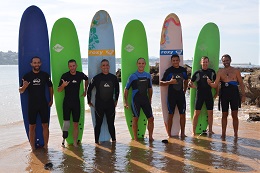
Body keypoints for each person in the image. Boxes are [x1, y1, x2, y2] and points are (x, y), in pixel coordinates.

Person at [19, 56, 53, 151]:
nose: (36, 64)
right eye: (35, 63)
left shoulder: (45, 75)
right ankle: (33, 148)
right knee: (32, 126)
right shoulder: (27, 76)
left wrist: (51, 99)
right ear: (31, 64)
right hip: (32, 105)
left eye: (38, 62)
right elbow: (20, 91)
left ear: (40, 63)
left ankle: (46, 146)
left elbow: (50, 87)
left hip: (43, 104)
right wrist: (24, 87)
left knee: (45, 125)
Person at [207, 54, 245, 139]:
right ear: (222, 62)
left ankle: (236, 134)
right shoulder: (220, 72)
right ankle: (223, 134)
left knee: (234, 115)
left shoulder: (236, 71)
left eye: (227, 60)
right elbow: (215, 84)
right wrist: (209, 83)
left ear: (230, 60)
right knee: (224, 115)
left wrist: (243, 95)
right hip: (224, 94)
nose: (225, 62)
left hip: (234, 94)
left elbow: (241, 84)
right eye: (224, 61)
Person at [87, 59, 120, 144]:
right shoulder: (96, 78)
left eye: (107, 65)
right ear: (101, 67)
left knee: (111, 124)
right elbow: (89, 89)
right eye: (103, 65)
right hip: (99, 105)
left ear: (109, 66)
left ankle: (114, 142)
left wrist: (116, 100)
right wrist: (88, 100)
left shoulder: (113, 78)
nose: (105, 67)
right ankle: (96, 143)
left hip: (110, 105)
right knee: (98, 125)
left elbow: (117, 90)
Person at [58, 59, 88, 147]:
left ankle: (75, 142)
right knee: (66, 123)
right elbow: (59, 90)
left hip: (76, 103)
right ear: (68, 67)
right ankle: (64, 139)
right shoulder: (65, 76)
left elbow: (87, 79)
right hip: (67, 103)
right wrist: (63, 85)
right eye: (70, 66)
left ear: (76, 66)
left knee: (75, 124)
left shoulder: (80, 75)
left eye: (73, 66)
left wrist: (85, 90)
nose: (72, 68)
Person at [124, 57, 154, 141]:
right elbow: (126, 89)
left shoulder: (148, 75)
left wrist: (150, 99)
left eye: (142, 63)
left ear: (145, 64)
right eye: (139, 63)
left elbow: (150, 89)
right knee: (135, 118)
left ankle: (151, 137)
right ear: (137, 64)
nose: (141, 65)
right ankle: (136, 139)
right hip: (135, 100)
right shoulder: (132, 76)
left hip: (145, 99)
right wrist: (125, 101)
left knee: (151, 118)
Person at [160, 54, 188, 138]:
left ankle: (182, 133)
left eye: (177, 60)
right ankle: (169, 134)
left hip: (180, 96)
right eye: (173, 60)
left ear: (179, 61)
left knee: (182, 114)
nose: (175, 62)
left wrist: (185, 90)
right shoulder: (169, 71)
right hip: (171, 96)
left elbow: (186, 80)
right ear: (171, 61)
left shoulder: (183, 70)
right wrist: (169, 82)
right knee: (170, 114)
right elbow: (161, 83)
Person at [188, 56, 217, 136]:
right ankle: (193, 131)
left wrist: (216, 93)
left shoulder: (212, 72)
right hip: (199, 95)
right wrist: (192, 86)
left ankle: (210, 130)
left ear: (208, 63)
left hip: (209, 95)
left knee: (210, 113)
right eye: (203, 62)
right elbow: (190, 83)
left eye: (206, 62)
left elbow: (216, 84)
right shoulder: (197, 73)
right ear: (201, 63)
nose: (205, 63)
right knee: (196, 113)